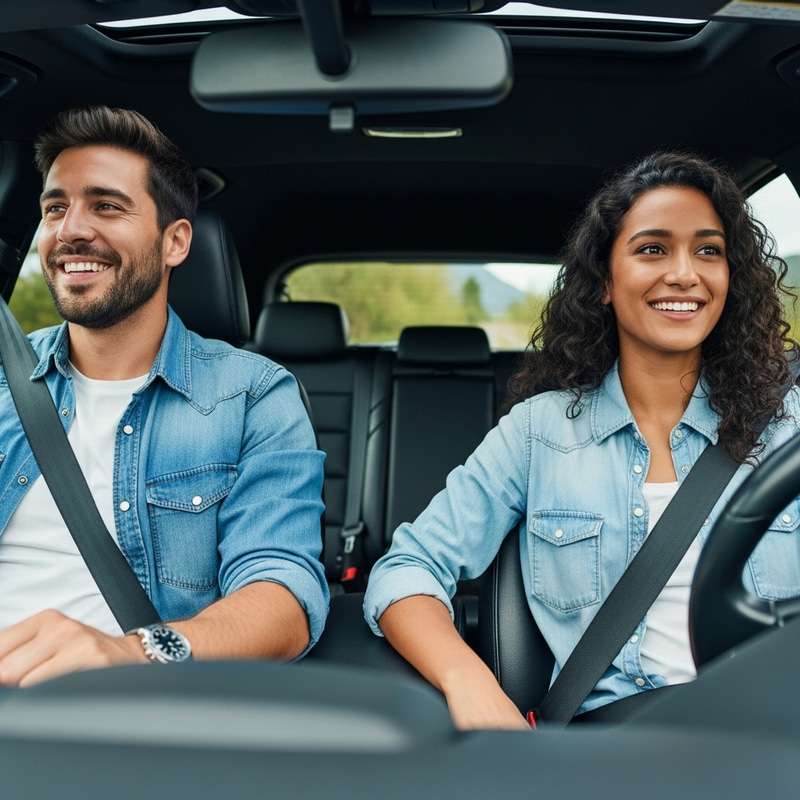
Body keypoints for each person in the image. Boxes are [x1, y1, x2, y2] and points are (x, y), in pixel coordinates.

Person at [364, 151, 800, 730]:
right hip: (613, 744)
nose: (684, 273)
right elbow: (407, 568)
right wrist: (468, 682)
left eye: (708, 251)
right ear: (604, 282)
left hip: (772, 731)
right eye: (652, 249)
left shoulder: (788, 425)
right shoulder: (537, 433)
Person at [0, 106, 328, 687]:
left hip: (130, 708)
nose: (71, 229)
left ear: (175, 242)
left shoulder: (252, 396)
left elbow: (283, 598)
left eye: (106, 205)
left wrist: (135, 653)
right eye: (55, 208)